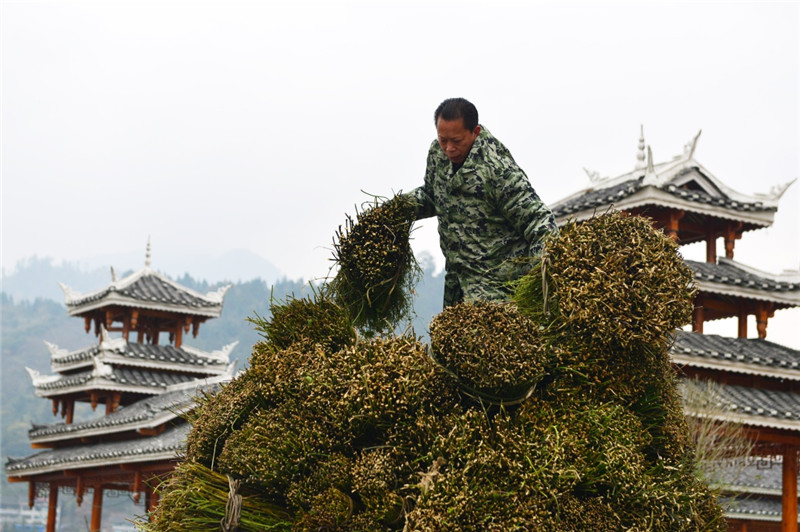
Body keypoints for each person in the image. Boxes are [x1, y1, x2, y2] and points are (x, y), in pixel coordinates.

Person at [406, 97, 557, 307]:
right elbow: (434, 195)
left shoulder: (497, 170)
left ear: (474, 132)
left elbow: (540, 222)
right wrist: (397, 209)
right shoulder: (437, 154)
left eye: (456, 141)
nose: (449, 148)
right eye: (443, 140)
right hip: (458, 282)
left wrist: (537, 281)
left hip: (499, 289)